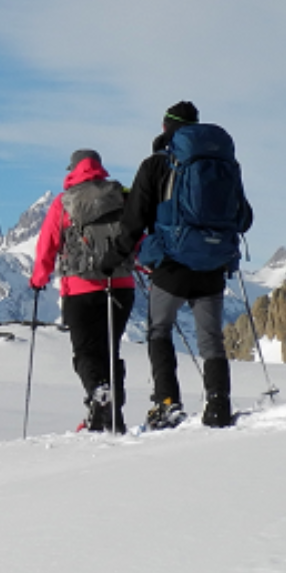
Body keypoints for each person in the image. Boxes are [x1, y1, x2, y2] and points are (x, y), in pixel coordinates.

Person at [100, 102, 252, 429]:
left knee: (159, 329)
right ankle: (218, 404)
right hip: (213, 264)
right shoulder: (222, 164)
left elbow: (134, 220)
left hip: (172, 265)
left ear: (166, 128)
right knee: (211, 337)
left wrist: (113, 259)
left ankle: (166, 403)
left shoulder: (157, 164)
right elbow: (245, 217)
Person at [31, 149, 136, 433]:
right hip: (121, 285)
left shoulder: (64, 202)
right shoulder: (119, 194)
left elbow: (48, 245)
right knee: (109, 350)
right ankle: (113, 417)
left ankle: (98, 393)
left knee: (85, 352)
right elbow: (135, 234)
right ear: (100, 168)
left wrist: (39, 279)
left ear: (73, 169)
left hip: (80, 289)